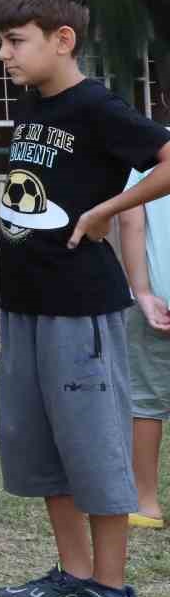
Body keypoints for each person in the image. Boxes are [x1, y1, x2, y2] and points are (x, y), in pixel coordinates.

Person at [0, 0, 170, 597]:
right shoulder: (30, 102)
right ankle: (75, 575)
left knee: (93, 450)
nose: (3, 54)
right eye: (1, 42)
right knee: (43, 451)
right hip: (25, 305)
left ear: (63, 39)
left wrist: (109, 210)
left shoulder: (97, 106)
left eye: (14, 41)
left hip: (80, 311)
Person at [120, 161, 170, 532]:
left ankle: (146, 501)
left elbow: (130, 221)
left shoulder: (147, 155)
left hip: (157, 298)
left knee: (146, 401)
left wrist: (142, 291)